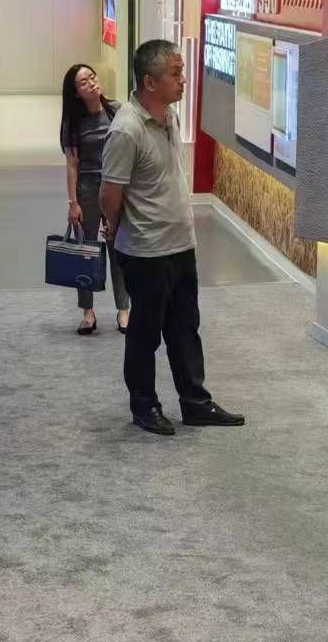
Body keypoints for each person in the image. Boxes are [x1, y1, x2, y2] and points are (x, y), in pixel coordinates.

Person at [100, 40, 243, 438]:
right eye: (176, 73)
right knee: (145, 335)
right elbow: (110, 194)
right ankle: (144, 406)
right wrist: (114, 226)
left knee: (184, 329)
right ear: (150, 81)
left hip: (181, 245)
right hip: (146, 251)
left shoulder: (170, 116)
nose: (183, 80)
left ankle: (195, 403)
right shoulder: (126, 129)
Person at [59, 62, 129, 335]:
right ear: (76, 93)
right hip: (87, 189)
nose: (91, 82)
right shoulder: (73, 122)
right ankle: (88, 312)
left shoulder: (116, 111)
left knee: (117, 249)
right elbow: (72, 165)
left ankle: (123, 310)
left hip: (114, 186)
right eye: (84, 82)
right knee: (86, 251)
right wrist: (72, 202)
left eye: (92, 76)